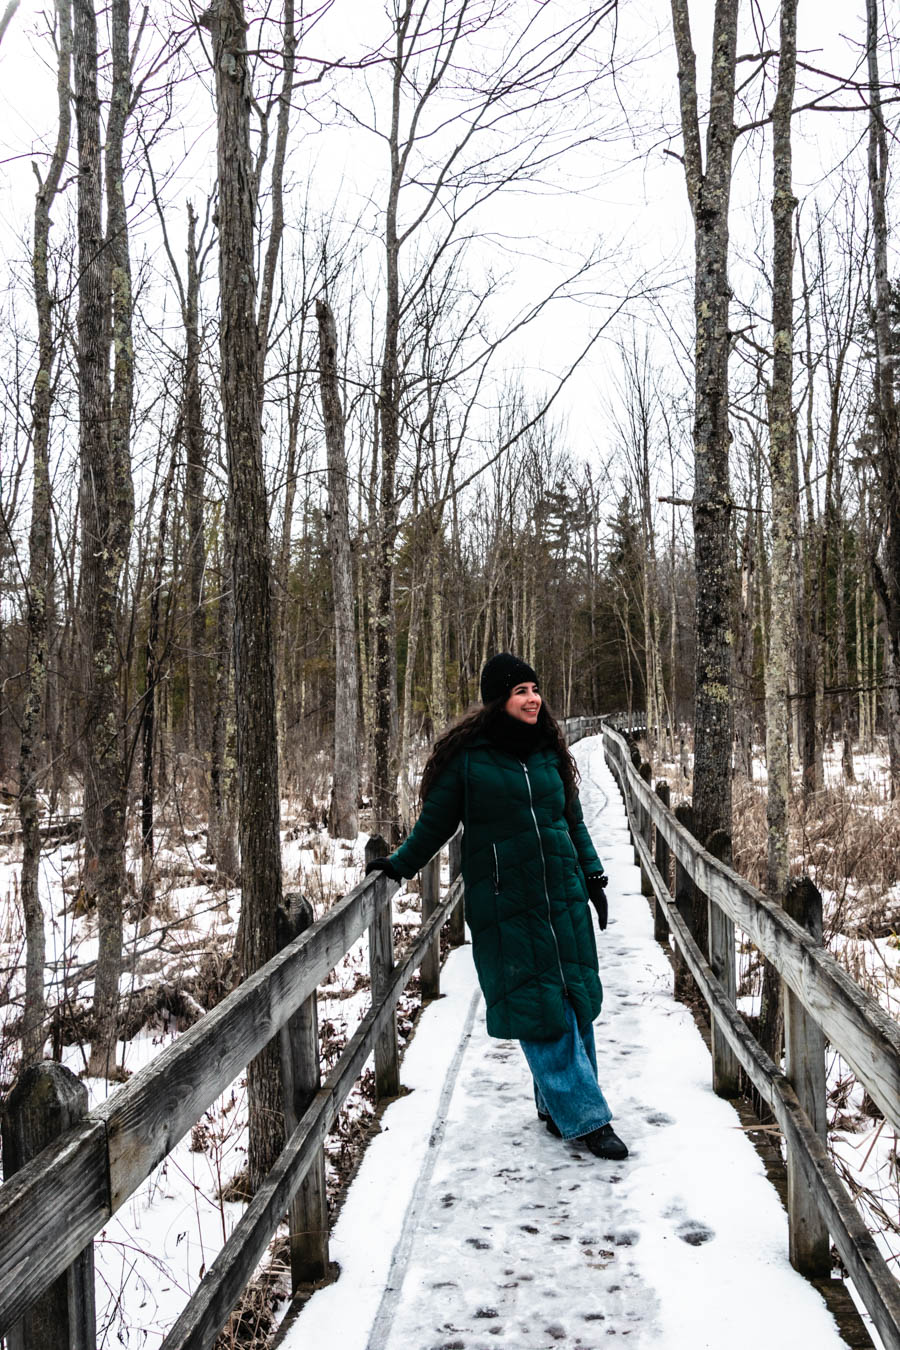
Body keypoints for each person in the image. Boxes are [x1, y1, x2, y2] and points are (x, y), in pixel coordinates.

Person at [366, 652, 628, 1161]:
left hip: (563, 894)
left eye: (535, 689)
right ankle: (588, 1120)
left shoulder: (550, 749)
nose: (533, 699)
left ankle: (558, 1105)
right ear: (498, 700)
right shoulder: (469, 760)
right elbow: (435, 825)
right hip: (509, 904)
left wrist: (593, 873)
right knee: (539, 1010)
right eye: (520, 691)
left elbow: (571, 821)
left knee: (574, 1003)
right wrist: (399, 865)